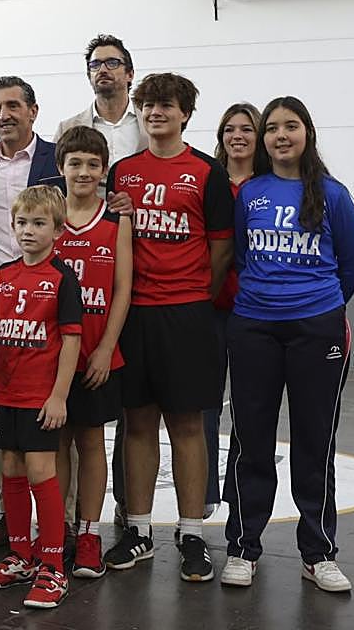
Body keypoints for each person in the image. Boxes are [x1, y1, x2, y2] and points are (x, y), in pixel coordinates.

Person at [221, 97, 354, 593]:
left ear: (307, 134)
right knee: (251, 442)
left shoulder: (333, 195)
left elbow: (353, 266)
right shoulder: (251, 194)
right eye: (273, 128)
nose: (281, 135)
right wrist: (269, 303)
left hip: (316, 331)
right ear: (263, 140)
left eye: (292, 126)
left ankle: (318, 553)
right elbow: (240, 258)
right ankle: (242, 548)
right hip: (254, 329)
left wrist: (318, 308)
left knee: (314, 442)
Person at [104, 73, 234, 584]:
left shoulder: (206, 171)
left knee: (186, 425)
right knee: (137, 424)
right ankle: (138, 531)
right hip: (133, 312)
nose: (155, 112)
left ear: (185, 113)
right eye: (148, 104)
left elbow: (222, 247)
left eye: (166, 105)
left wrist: (195, 293)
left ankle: (192, 533)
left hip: (187, 313)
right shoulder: (123, 172)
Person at [0, 75, 64, 545]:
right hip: (0, 307)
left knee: (50, 426)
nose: (3, 115)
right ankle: (9, 517)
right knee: (2, 428)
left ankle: (61, 527)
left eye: (12, 106)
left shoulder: (55, 160)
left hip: (50, 308)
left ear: (33, 111)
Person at [0, 185, 82, 609]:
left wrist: (59, 396)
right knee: (11, 470)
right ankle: (21, 555)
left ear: (57, 229)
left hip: (41, 395)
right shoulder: (3, 275)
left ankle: (53, 565)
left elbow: (71, 342)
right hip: (6, 393)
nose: (28, 231)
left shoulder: (62, 278)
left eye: (39, 223)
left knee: (41, 471)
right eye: (22, 223)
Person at [51, 127, 131, 578]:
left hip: (98, 353)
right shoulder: (48, 216)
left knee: (91, 440)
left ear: (104, 170)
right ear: (61, 167)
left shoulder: (115, 220)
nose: (83, 171)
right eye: (75, 163)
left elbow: (122, 290)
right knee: (57, 442)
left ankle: (88, 531)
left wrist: (105, 349)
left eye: (92, 164)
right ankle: (59, 528)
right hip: (53, 354)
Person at [203, 103, 260, 518]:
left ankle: (239, 494)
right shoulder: (210, 180)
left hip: (254, 312)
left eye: (247, 128)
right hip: (207, 308)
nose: (237, 135)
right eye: (229, 128)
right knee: (204, 402)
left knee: (247, 405)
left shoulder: (271, 185)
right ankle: (202, 491)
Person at [54, 34, 148, 167]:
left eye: (112, 63)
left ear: (130, 74)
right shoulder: (67, 128)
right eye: (95, 65)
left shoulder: (150, 123)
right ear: (89, 76)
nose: (102, 70)